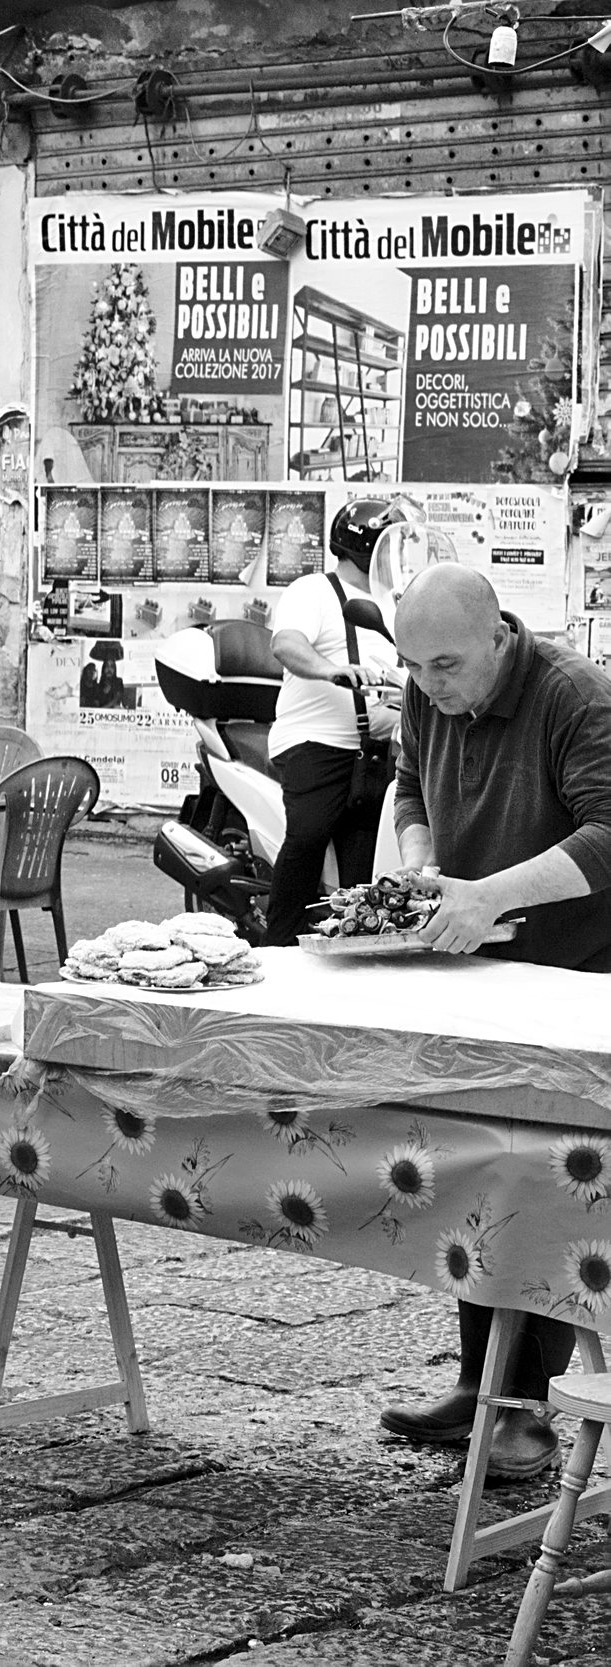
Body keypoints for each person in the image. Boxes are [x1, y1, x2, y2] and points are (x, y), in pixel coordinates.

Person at [376, 563, 611, 1481]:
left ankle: (524, 1416)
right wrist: (421, 864)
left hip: (577, 973)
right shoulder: (424, 686)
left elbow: (607, 833)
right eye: (415, 666)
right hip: (479, 967)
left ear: (499, 637)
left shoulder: (575, 697)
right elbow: (405, 784)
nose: (430, 685)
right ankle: (481, 1387)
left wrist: (490, 897)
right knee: (475, 1173)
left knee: (541, 1182)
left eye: (446, 665)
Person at [258, 497, 404, 946]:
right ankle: (276, 945)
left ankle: (348, 956)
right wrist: (332, 670)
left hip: (374, 754)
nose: (395, 556)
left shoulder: (394, 604)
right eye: (388, 545)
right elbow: (286, 644)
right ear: (366, 548)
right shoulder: (314, 590)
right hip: (315, 744)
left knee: (366, 871)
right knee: (308, 836)